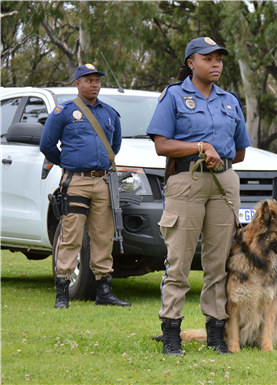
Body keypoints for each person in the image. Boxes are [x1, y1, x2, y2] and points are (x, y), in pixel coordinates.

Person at [147, 37, 251, 356]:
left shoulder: (230, 100)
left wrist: (221, 156)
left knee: (219, 263)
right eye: (208, 58)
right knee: (179, 261)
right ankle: (172, 333)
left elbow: (241, 151)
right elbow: (162, 144)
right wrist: (200, 147)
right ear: (191, 62)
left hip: (224, 183)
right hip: (186, 181)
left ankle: (216, 332)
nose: (216, 63)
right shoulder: (175, 96)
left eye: (219, 58)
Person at [40, 64, 130, 309]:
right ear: (77, 83)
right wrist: (68, 163)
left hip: (102, 181)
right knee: (71, 235)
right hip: (76, 181)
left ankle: (104, 292)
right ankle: (62, 291)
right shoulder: (63, 112)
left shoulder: (110, 113)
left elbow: (115, 146)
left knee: (103, 236)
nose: (94, 84)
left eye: (97, 80)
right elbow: (47, 145)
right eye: (88, 80)